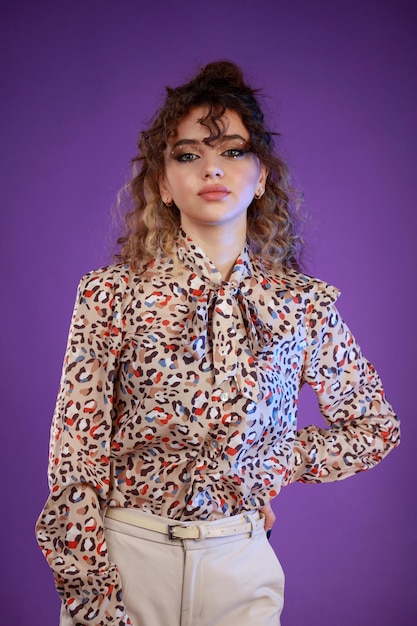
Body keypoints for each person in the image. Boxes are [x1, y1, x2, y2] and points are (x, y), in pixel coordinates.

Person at [36, 61, 400, 626]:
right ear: (162, 182)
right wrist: (93, 593)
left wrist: (272, 461)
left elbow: (375, 428)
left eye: (232, 151)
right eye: (187, 155)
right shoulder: (111, 293)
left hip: (240, 561)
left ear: (261, 178)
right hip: (128, 556)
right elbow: (75, 457)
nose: (211, 167)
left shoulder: (301, 305)